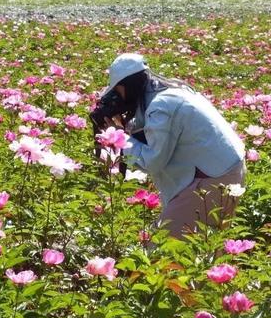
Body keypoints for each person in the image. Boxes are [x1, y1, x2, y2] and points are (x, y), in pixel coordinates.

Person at [101, 53, 246, 240]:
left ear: (127, 86)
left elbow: (153, 161)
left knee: (163, 247)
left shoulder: (161, 105)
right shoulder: (174, 90)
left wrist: (118, 136)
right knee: (203, 246)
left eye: (117, 92)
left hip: (212, 179)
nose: (118, 98)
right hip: (227, 170)